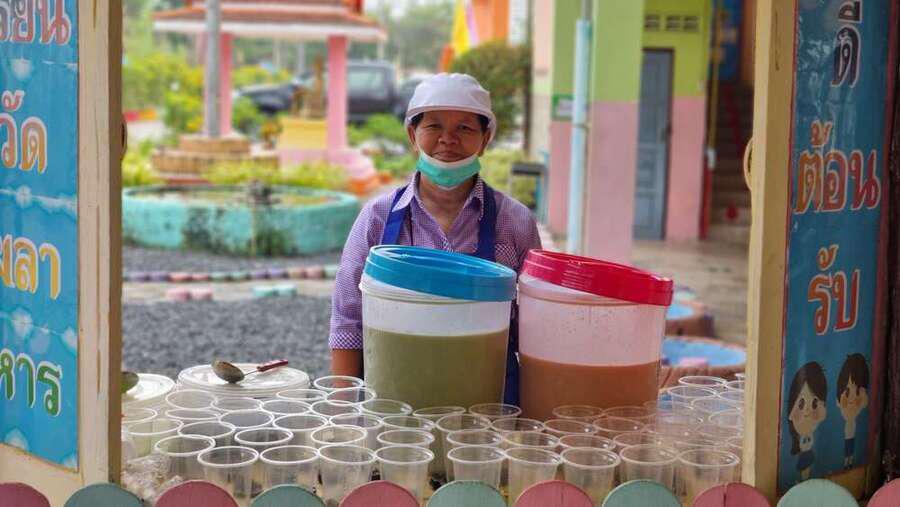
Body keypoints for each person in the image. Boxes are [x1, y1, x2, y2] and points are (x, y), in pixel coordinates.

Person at [329, 73, 542, 404]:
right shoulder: (377, 217)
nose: (448, 139)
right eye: (434, 126)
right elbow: (348, 320)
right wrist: (344, 413)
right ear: (412, 135)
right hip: (395, 405)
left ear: (485, 139)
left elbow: (536, 328)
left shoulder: (515, 221)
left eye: (465, 128)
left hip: (487, 407)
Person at [786, 361, 828, 482]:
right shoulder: (801, 439)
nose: (807, 411)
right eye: (801, 404)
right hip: (804, 454)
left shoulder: (809, 438)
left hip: (807, 453)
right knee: (804, 470)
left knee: (806, 470)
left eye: (815, 403)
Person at [836, 353, 869, 469]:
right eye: (847, 391)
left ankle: (849, 462)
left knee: (850, 446)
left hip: (852, 436)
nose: (852, 398)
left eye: (858, 391)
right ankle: (847, 462)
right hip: (848, 435)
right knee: (848, 446)